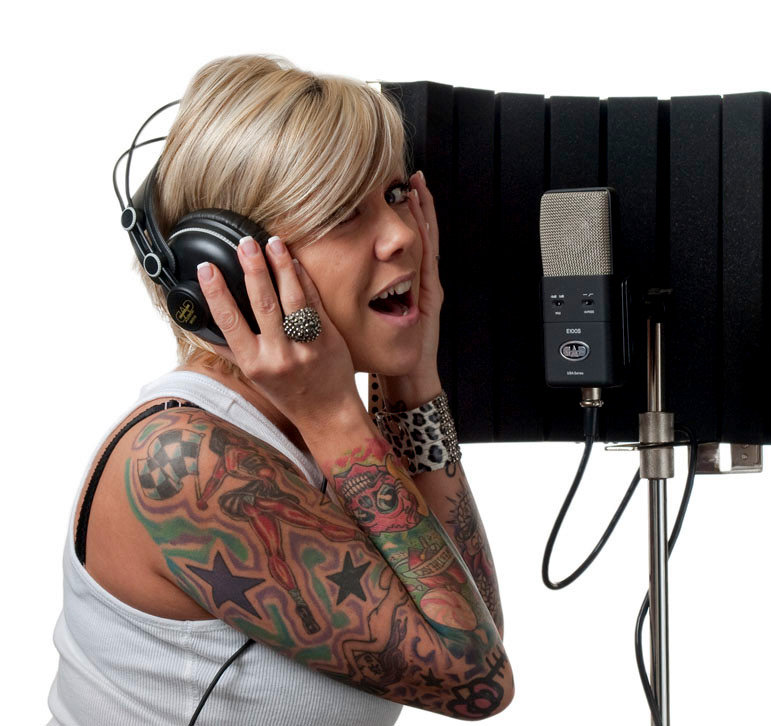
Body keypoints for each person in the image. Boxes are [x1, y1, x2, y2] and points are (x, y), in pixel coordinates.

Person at [47, 54, 512, 725]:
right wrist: (334, 413)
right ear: (228, 267)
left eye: (393, 196)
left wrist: (410, 374)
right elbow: (476, 682)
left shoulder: (313, 428)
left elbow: (475, 624)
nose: (402, 236)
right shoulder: (179, 461)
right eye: (343, 213)